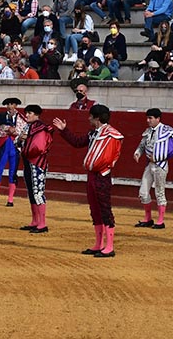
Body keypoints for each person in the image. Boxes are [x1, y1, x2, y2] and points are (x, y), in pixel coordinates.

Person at [53, 104, 124, 258]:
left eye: (90, 116)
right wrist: (64, 130)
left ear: (97, 118)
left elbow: (110, 156)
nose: (88, 118)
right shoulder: (93, 134)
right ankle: (99, 244)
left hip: (103, 175)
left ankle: (109, 246)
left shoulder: (112, 134)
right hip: (92, 175)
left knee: (105, 208)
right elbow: (78, 142)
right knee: (95, 209)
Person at [133, 108, 173, 230]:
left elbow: (171, 149)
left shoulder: (167, 131)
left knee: (159, 192)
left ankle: (160, 221)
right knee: (143, 192)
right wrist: (138, 152)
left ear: (158, 119)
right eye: (147, 118)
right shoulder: (148, 131)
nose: (148, 120)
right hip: (150, 165)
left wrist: (158, 157)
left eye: (150, 118)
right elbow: (142, 144)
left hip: (161, 165)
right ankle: (148, 218)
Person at [19, 104, 54, 233]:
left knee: (38, 192)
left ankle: (42, 223)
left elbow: (38, 148)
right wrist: (20, 140)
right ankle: (35, 221)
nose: (27, 115)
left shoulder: (41, 128)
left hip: (38, 163)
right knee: (32, 192)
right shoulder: (28, 127)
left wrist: (25, 141)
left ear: (37, 115)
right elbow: (17, 142)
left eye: (30, 113)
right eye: (26, 113)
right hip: (28, 162)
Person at [0, 97, 27, 207]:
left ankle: (10, 199)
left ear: (16, 106)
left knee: (12, 172)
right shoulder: (1, 116)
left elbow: (24, 132)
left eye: (12, 104)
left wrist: (15, 131)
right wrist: (8, 130)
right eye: (8, 104)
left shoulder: (21, 118)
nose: (10, 106)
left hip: (15, 146)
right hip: (4, 145)